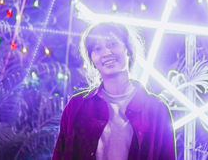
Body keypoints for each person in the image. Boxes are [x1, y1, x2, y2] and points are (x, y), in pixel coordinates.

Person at [52, 22, 176, 160]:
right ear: (92, 59)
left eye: (112, 44)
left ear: (128, 49)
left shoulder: (156, 110)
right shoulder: (76, 106)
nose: (106, 53)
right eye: (97, 48)